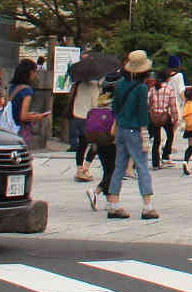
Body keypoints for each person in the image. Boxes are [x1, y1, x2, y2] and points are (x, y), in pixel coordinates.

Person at [103, 50, 159, 220]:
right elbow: (143, 113)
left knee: (119, 166)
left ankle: (113, 203)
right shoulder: (142, 88)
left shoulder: (119, 84)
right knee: (142, 166)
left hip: (121, 129)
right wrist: (144, 133)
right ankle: (148, 207)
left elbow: (115, 108)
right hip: (135, 130)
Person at [80, 78, 118, 204]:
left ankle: (108, 201)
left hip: (98, 139)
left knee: (107, 169)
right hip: (110, 141)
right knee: (113, 171)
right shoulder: (114, 105)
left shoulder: (98, 103)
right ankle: (96, 191)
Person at [67, 70, 105, 181]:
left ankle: (79, 169)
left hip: (77, 116)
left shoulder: (78, 84)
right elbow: (94, 105)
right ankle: (85, 169)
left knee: (82, 144)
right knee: (95, 144)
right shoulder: (94, 86)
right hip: (89, 118)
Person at [4, 60, 49, 152]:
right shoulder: (27, 91)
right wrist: (37, 116)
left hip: (9, 128)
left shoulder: (12, 87)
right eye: (35, 72)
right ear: (31, 72)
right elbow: (23, 116)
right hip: (21, 129)